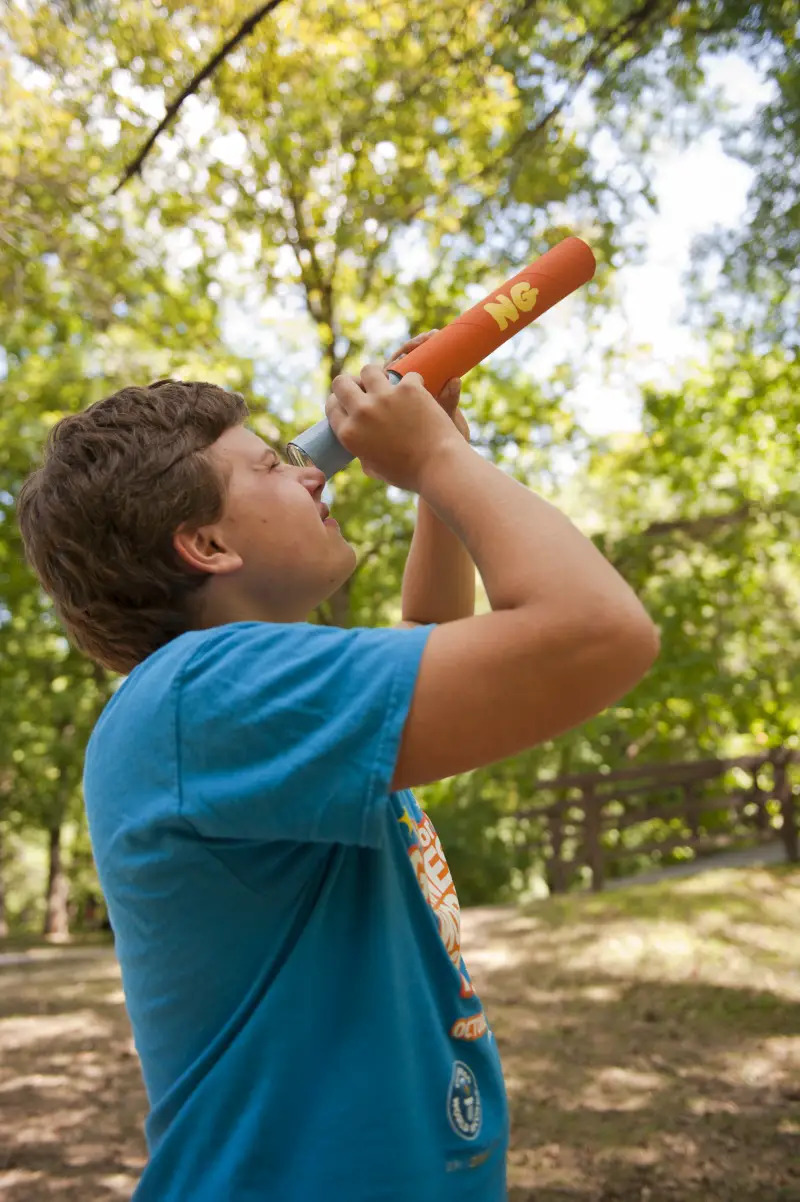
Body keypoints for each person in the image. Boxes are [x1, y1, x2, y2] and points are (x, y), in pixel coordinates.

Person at [16, 333, 658, 1201]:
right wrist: (430, 459)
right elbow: (600, 632)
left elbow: (437, 651)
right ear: (206, 545)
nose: (315, 473)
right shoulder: (205, 693)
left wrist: (449, 460)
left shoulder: (222, 700)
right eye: (271, 468)